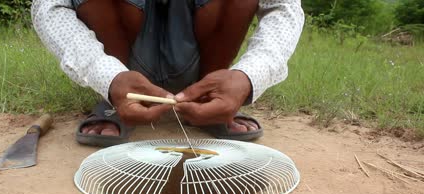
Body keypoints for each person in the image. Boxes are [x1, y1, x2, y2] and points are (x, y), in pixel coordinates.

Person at [31, 0, 304, 147]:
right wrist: (107, 75)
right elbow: (48, 6)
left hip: (201, 51)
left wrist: (247, 76)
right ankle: (116, 96)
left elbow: (283, 5)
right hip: (120, 57)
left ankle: (209, 95)